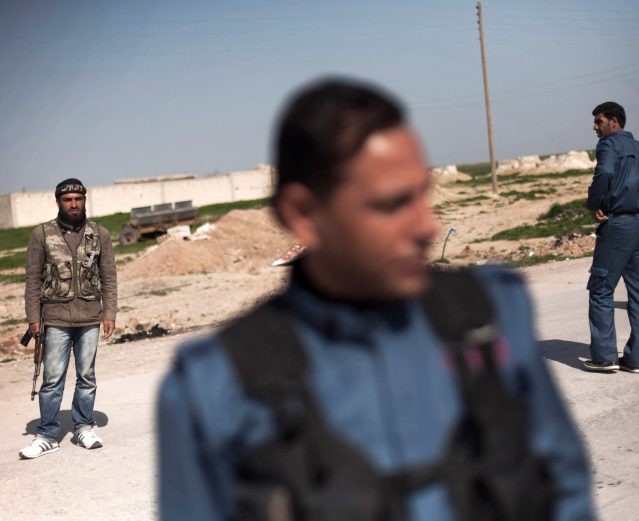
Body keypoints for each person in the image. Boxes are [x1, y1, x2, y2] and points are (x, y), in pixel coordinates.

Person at [158, 78, 595, 521]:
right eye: (392, 204)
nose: (428, 226)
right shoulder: (213, 387)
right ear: (304, 215)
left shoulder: (488, 315)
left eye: (423, 195)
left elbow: (566, 492)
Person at [19, 178, 117, 459]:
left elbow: (109, 277)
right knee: (52, 380)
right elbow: (32, 280)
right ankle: (48, 434)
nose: (74, 204)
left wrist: (109, 312)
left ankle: (84, 426)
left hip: (89, 317)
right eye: (67, 200)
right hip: (55, 319)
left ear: (84, 200)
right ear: (58, 202)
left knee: (87, 376)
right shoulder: (42, 234)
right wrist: (33, 319)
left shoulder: (100, 234)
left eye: (78, 199)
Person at [583, 102, 639, 374]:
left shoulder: (608, 145)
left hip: (618, 226)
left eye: (598, 121)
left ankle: (605, 357)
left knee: (601, 288)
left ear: (613, 122)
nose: (595, 126)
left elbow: (604, 172)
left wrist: (595, 203)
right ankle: (635, 359)